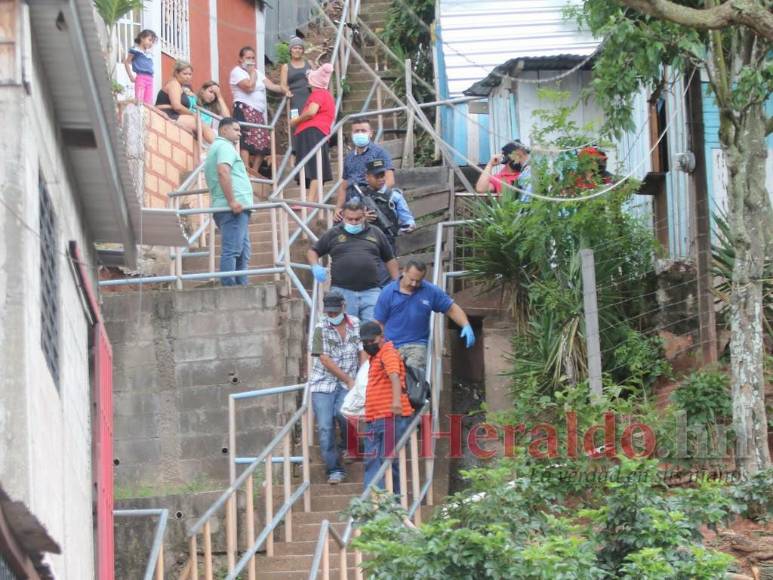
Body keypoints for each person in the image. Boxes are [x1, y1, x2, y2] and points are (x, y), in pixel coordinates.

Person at [374, 259, 475, 372]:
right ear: (404, 272)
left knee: (413, 382)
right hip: (391, 346)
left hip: (417, 345)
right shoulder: (388, 292)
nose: (414, 284)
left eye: (418, 281)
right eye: (411, 279)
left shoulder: (430, 291)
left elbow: (451, 308)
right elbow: (379, 322)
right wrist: (378, 345)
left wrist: (466, 325)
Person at [307, 199, 399, 321]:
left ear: (364, 215)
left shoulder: (376, 232)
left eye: (358, 219)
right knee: (347, 333)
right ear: (343, 216)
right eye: (350, 219)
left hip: (371, 292)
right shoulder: (333, 233)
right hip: (342, 292)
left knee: (374, 331)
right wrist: (315, 266)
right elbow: (313, 251)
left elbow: (390, 259)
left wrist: (397, 283)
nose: (354, 222)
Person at [310, 291, 368, 485]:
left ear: (344, 307)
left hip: (349, 381)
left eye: (336, 312)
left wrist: (360, 376)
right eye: (329, 313)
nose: (332, 316)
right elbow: (324, 359)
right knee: (326, 427)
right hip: (323, 384)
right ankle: (334, 469)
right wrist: (349, 380)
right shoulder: (320, 327)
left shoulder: (356, 323)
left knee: (346, 415)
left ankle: (349, 444)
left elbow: (362, 351)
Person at [359, 321, 413, 494]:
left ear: (381, 338)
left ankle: (388, 505)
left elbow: (394, 376)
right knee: (374, 461)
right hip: (375, 418)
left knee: (387, 461)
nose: (368, 345)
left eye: (371, 341)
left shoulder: (387, 352)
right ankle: (374, 504)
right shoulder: (375, 357)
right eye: (365, 343)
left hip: (390, 417)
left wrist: (396, 402)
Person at [204, 118, 254, 286]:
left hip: (235, 208)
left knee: (243, 252)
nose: (239, 133)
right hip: (232, 208)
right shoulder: (224, 146)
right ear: (224, 131)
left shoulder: (219, 147)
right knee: (232, 250)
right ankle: (229, 288)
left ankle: (242, 287)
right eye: (236, 129)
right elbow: (223, 171)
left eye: (240, 130)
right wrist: (232, 201)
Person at [230, 46, 290, 174]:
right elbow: (248, 87)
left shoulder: (258, 72)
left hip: (258, 113)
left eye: (253, 58)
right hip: (244, 108)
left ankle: (255, 171)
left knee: (263, 142)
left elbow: (272, 86)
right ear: (240, 59)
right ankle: (245, 167)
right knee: (245, 139)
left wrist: (285, 89)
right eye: (248, 58)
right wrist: (251, 73)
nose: (251, 61)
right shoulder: (237, 72)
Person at [351, 158, 415, 254]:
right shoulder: (359, 197)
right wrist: (362, 219)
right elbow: (347, 222)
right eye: (377, 176)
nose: (381, 179)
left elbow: (408, 220)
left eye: (382, 175)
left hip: (387, 242)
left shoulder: (394, 196)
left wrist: (407, 228)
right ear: (367, 177)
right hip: (365, 243)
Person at [334, 118, 395, 219]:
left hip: (371, 204)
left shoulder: (380, 153)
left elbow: (390, 181)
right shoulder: (349, 157)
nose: (360, 133)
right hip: (350, 207)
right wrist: (338, 208)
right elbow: (343, 186)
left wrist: (371, 202)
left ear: (371, 133)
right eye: (356, 131)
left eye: (363, 130)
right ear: (351, 134)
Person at [290, 63, 335, 198]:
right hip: (316, 132)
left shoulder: (319, 93)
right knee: (314, 165)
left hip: (312, 131)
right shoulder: (325, 95)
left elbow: (311, 112)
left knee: (314, 166)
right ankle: (310, 199)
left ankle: (309, 201)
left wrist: (295, 121)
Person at [156, 61, 215, 143]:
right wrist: (192, 114)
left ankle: (212, 148)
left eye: (190, 74)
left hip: (173, 114)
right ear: (176, 73)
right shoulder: (174, 84)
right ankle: (218, 147)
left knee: (200, 127)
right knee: (201, 124)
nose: (188, 77)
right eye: (185, 74)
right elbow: (177, 106)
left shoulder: (179, 86)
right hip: (168, 113)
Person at [280, 36, 313, 121]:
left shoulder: (309, 63)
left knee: (311, 120)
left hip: (310, 96)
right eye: (295, 48)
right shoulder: (286, 67)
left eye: (300, 48)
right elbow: (283, 84)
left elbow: (317, 79)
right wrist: (286, 91)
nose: (297, 50)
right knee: (296, 122)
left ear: (303, 51)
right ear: (290, 50)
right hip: (294, 98)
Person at [124, 29, 157, 105]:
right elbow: (126, 62)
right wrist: (130, 76)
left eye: (153, 42)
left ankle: (146, 116)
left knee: (148, 102)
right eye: (149, 40)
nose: (151, 43)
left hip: (150, 78)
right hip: (141, 77)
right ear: (142, 38)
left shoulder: (149, 53)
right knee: (139, 100)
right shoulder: (135, 50)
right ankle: (139, 115)